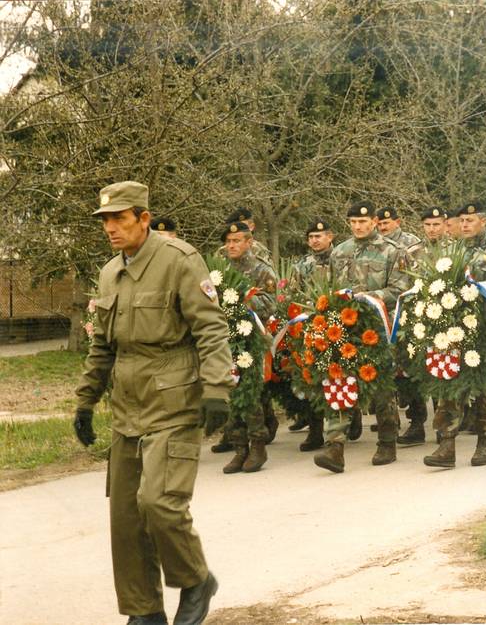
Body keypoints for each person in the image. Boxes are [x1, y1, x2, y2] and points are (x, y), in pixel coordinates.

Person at [74, 181, 232, 624]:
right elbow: (102, 347)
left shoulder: (179, 261)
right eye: (106, 220)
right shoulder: (110, 272)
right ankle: (144, 611)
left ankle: (197, 580)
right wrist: (85, 401)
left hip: (173, 400)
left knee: (159, 503)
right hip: (127, 406)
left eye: (120, 218)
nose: (111, 228)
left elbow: (211, 328)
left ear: (143, 218)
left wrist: (217, 390)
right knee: (126, 519)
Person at [313, 201, 412, 473]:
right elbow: (330, 287)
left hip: (377, 326)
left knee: (381, 386)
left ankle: (387, 441)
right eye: (353, 222)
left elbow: (399, 290)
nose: (357, 226)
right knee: (338, 380)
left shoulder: (393, 251)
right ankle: (335, 446)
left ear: (374, 222)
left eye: (363, 222)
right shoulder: (340, 252)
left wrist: (365, 298)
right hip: (344, 327)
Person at [423, 201, 486, 467]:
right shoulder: (450, 250)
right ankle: (447, 444)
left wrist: (483, 292)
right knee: (450, 382)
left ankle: (484, 443)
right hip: (455, 328)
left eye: (470, 220)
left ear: (483, 222)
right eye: (461, 220)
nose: (464, 225)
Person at [219, 221, 278, 474]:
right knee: (231, 391)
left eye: (236, 241)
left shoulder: (262, 269)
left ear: (249, 242)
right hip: (225, 337)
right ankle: (239, 447)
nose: (231, 245)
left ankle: (257, 446)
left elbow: (271, 303)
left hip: (253, 336)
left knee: (250, 393)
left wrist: (244, 301)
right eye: (228, 241)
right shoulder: (220, 268)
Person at [397, 207, 450, 446]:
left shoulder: (455, 249)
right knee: (415, 372)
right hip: (418, 320)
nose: (432, 229)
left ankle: (443, 423)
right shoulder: (412, 252)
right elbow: (403, 285)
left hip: (446, 318)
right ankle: (417, 423)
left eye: (436, 224)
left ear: (445, 224)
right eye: (427, 225)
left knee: (442, 369)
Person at [289, 219, 336, 450]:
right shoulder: (302, 265)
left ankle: (349, 418)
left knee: (338, 373)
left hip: (336, 323)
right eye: (311, 237)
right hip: (310, 324)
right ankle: (315, 430)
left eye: (319, 236)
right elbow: (294, 293)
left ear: (330, 236)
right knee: (311, 375)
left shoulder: (341, 258)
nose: (315, 241)